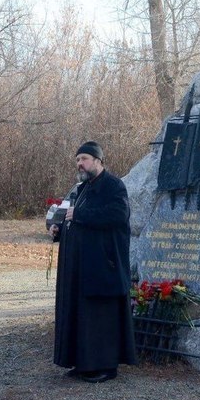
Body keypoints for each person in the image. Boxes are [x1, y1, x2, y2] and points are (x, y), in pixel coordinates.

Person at [50, 141, 136, 383]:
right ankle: (84, 363)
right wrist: (61, 230)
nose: (80, 163)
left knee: (102, 318)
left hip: (104, 266)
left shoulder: (113, 185)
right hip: (83, 268)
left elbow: (119, 215)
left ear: (99, 160)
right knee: (85, 316)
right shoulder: (84, 188)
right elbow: (79, 221)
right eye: (78, 160)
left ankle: (106, 367)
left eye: (85, 158)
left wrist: (79, 215)